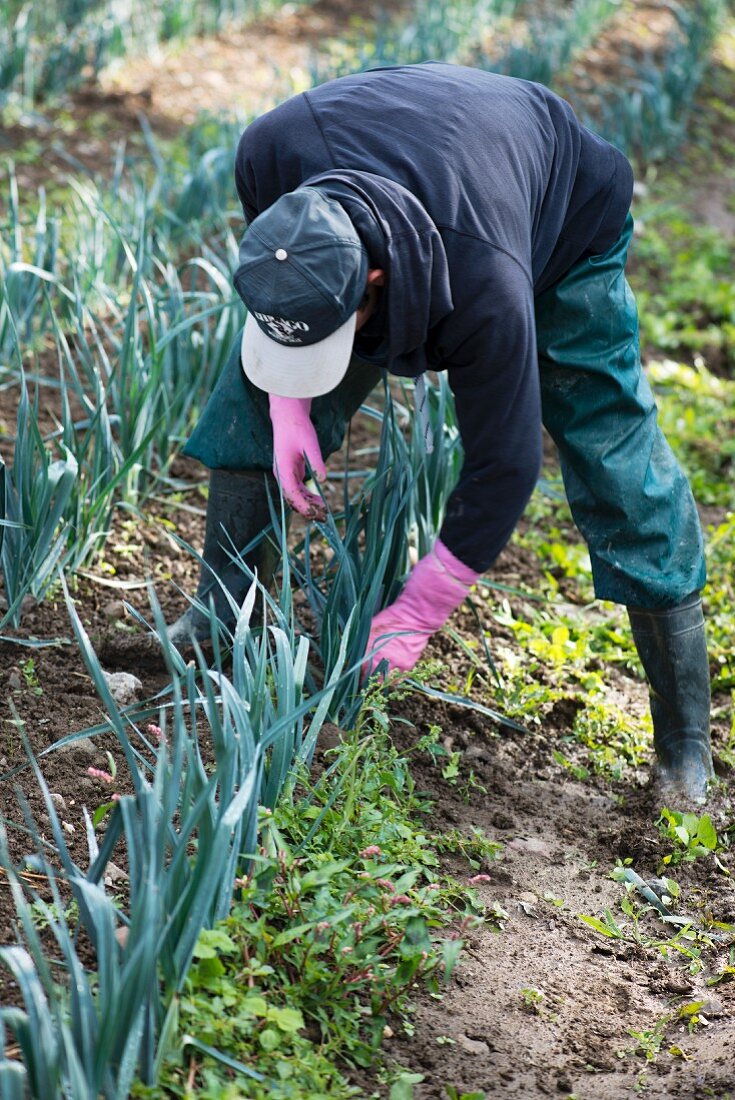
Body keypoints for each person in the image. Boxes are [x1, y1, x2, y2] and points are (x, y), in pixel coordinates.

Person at [168, 62, 714, 803]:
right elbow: (284, 281)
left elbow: (506, 463)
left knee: (613, 454)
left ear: (373, 284)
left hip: (556, 224)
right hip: (429, 155)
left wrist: (420, 608)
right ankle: (217, 621)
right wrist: (287, 404)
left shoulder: (487, 286)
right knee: (244, 403)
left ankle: (683, 745)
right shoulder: (269, 153)